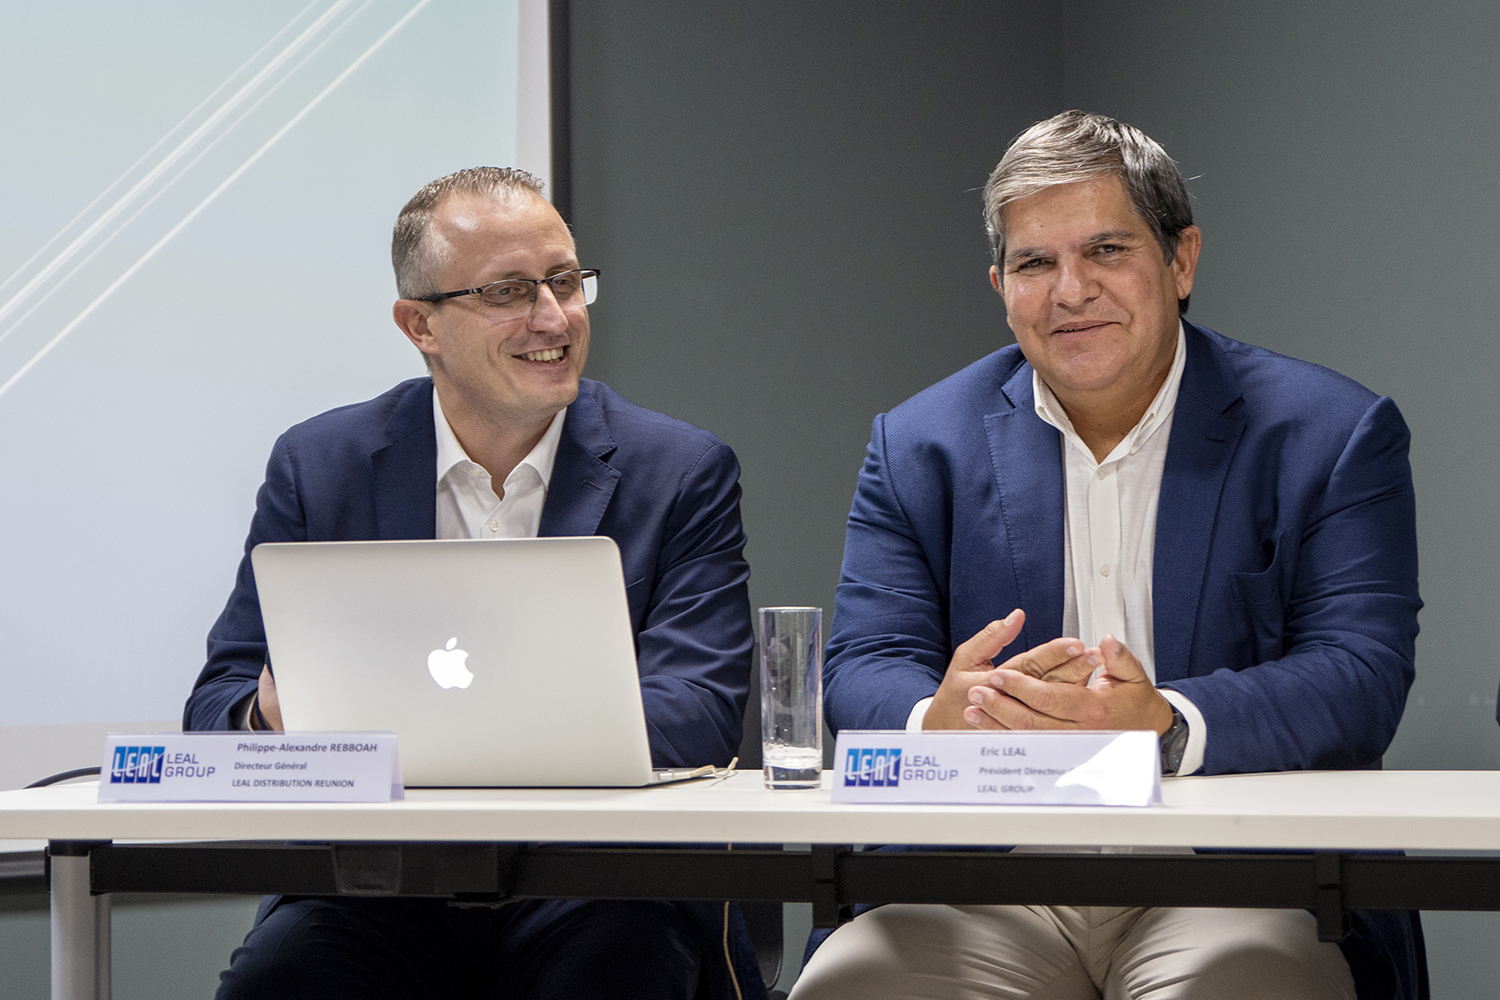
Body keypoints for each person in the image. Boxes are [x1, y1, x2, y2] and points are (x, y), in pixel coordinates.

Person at [790, 112, 1424, 1000]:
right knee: (849, 987)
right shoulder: (918, 443)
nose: (1070, 291)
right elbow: (863, 665)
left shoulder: (1329, 433)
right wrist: (943, 719)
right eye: (1034, 264)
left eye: (1107, 251)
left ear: (1182, 261)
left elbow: (1360, 676)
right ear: (1000, 284)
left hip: (1235, 881)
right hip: (984, 879)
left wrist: (1160, 724)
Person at [183, 167, 763, 1000]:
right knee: (278, 984)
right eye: (509, 292)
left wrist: (411, 731)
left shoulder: (679, 470)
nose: (555, 318)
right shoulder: (321, 465)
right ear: (419, 323)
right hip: (375, 890)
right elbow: (219, 706)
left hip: (601, 885)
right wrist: (265, 716)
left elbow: (699, 711)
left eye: (566, 282)